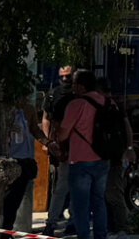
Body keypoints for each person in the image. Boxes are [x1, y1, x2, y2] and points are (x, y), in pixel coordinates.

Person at [58, 70, 108, 239]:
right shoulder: (107, 102)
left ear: (79, 86)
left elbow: (63, 134)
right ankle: (101, 236)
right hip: (102, 159)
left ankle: (84, 236)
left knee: (81, 205)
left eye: (73, 83)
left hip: (80, 160)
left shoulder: (76, 104)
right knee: (99, 202)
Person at [4, 93, 48, 234]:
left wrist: (47, 143)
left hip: (24, 159)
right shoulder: (4, 109)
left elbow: (34, 129)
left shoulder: (29, 109)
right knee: (6, 200)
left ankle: (7, 230)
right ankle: (3, 229)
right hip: (9, 158)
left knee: (16, 200)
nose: (22, 100)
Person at [96, 79, 134, 239]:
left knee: (112, 192)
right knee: (108, 193)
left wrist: (129, 148)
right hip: (112, 155)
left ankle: (123, 225)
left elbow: (126, 128)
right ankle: (114, 225)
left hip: (112, 156)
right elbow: (127, 127)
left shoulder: (110, 106)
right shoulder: (116, 105)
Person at [42, 65, 76, 237]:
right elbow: (46, 118)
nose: (65, 80)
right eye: (62, 76)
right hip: (60, 147)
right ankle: (52, 222)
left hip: (77, 148)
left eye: (68, 76)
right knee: (61, 186)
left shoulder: (79, 95)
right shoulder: (53, 94)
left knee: (75, 187)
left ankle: (71, 221)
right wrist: (47, 141)